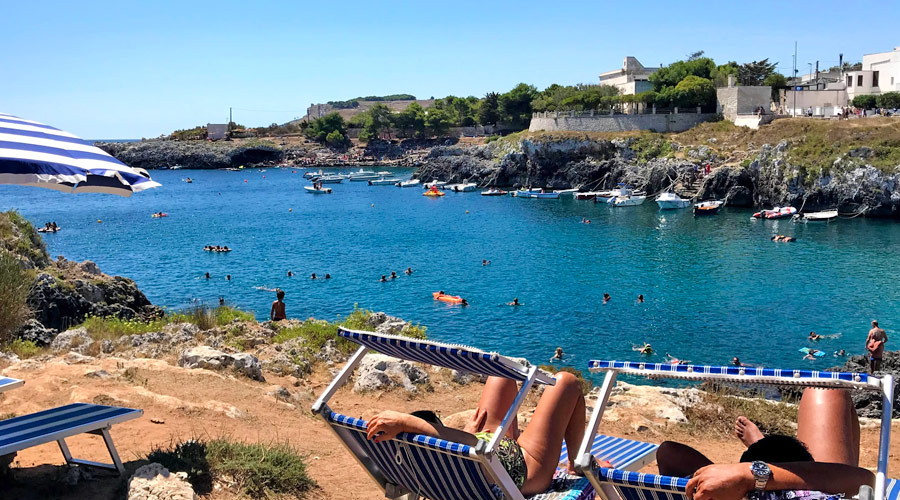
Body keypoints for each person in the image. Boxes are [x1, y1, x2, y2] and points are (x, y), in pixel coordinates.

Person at [364, 372, 587, 495]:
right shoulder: (454, 450)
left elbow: (440, 443)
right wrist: (404, 421)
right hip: (527, 467)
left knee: (502, 376)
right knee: (566, 383)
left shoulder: (434, 462)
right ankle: (576, 464)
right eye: (439, 429)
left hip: (488, 451)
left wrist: (463, 435)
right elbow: (435, 437)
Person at [656, 388, 873, 500]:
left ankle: (763, 453)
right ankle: (766, 457)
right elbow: (866, 480)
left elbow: (668, 452)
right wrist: (749, 476)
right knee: (826, 391)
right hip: (814, 487)